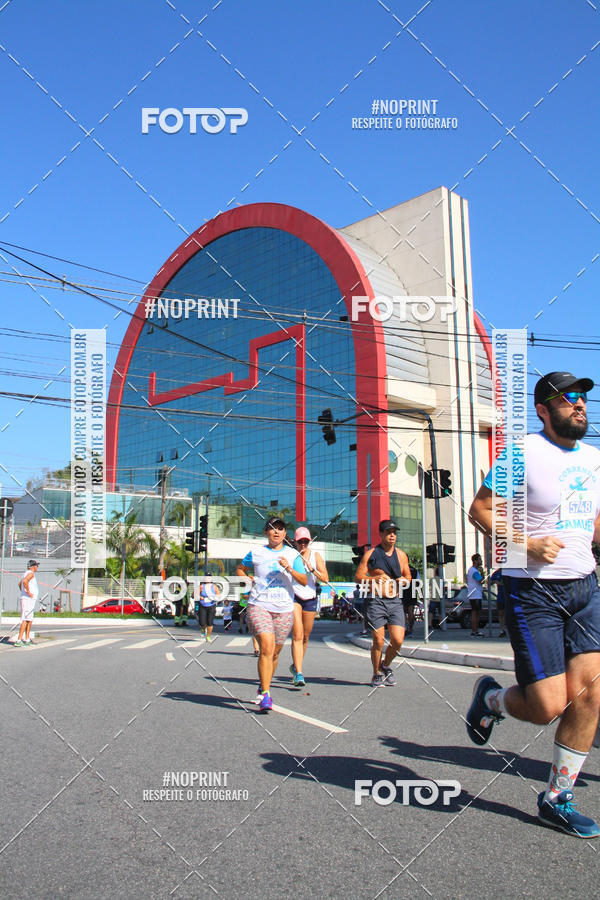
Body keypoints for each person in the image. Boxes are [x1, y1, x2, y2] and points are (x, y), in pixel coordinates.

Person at [467, 371, 600, 837]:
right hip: (532, 591)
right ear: (544, 409)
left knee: (591, 696)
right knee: (548, 706)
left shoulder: (595, 458)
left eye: (584, 397)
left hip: (585, 589)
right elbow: (480, 509)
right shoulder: (522, 452)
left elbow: (594, 524)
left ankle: (557, 797)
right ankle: (490, 698)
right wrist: (525, 541)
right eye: (569, 399)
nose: (580, 405)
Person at [236, 517, 307, 712]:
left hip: (284, 609)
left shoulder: (293, 555)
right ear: (266, 532)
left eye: (280, 529)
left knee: (275, 653)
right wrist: (247, 579)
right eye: (272, 528)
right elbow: (240, 569)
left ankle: (263, 683)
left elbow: (302, 580)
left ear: (285, 534)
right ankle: (266, 694)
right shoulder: (257, 552)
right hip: (259, 605)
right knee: (266, 646)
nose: (276, 532)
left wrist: (289, 569)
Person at [355, 520, 411, 687]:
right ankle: (376, 673)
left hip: (395, 601)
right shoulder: (371, 554)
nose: (392, 535)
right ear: (381, 534)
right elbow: (358, 578)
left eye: (394, 532)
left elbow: (408, 577)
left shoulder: (401, 555)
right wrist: (375, 578)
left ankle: (385, 665)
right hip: (376, 601)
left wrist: (404, 581)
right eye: (388, 532)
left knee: (398, 640)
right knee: (378, 641)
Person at [289, 526, 328, 687]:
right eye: (300, 542)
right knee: (297, 634)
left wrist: (313, 570)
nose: (303, 544)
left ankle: (296, 665)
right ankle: (299, 672)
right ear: (295, 542)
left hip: (310, 598)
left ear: (309, 541)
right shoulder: (290, 555)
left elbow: (325, 578)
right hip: (294, 597)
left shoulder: (315, 556)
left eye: (305, 541)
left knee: (305, 636)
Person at [15, 560, 39, 647]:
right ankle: (19, 639)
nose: (37, 567)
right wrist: (28, 592)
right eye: (36, 566)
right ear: (33, 566)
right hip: (27, 599)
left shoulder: (25, 573)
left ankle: (27, 639)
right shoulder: (30, 574)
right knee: (25, 619)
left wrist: (24, 592)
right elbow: (25, 581)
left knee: (29, 619)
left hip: (29, 599)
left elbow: (19, 584)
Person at [466, 553, 486, 637]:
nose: (481, 561)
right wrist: (482, 573)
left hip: (475, 594)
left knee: (477, 612)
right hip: (475, 595)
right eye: (479, 560)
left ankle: (476, 630)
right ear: (475, 561)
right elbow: (481, 581)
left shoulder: (472, 570)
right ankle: (474, 631)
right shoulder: (474, 571)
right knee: (475, 612)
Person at [196, 573, 218, 641]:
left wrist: (214, 597)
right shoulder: (201, 586)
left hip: (211, 605)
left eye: (209, 577)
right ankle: (203, 629)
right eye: (206, 577)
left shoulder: (214, 586)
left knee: (210, 622)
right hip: (203, 605)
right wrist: (200, 597)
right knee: (202, 622)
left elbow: (219, 595)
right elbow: (195, 595)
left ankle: (208, 636)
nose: (207, 579)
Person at [401, 565, 419, 636]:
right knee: (411, 611)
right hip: (412, 592)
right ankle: (410, 628)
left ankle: (405, 627)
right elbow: (418, 583)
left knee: (403, 611)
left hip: (402, 592)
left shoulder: (400, 569)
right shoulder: (415, 570)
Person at [490, 568, 507, 637]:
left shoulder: (509, 571)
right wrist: (495, 581)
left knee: (508, 614)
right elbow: (490, 582)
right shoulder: (496, 573)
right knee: (501, 613)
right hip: (500, 596)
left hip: (508, 596)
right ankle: (502, 630)